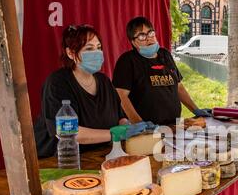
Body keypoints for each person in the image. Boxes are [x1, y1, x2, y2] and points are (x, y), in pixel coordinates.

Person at [34, 25, 152, 158]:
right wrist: (115, 134)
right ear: (71, 53)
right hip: (61, 161)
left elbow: (120, 117)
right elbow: (69, 133)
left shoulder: (104, 81)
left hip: (99, 155)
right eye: (89, 48)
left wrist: (132, 128)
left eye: (99, 47)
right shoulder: (57, 83)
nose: (96, 52)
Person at [113, 17, 210, 126]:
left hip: (172, 125)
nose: (148, 38)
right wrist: (138, 122)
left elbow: (178, 86)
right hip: (146, 130)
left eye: (150, 33)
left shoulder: (165, 54)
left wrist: (196, 110)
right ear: (133, 42)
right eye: (141, 36)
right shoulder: (127, 60)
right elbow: (121, 95)